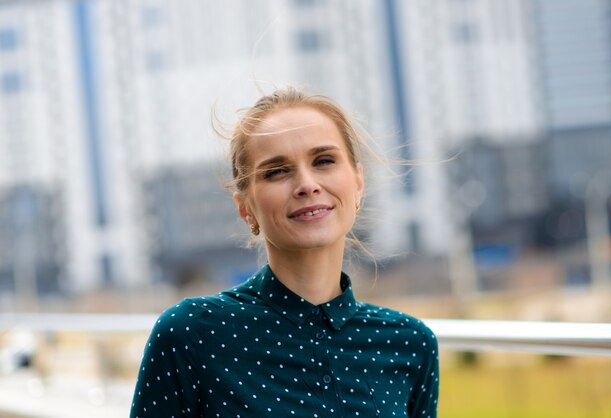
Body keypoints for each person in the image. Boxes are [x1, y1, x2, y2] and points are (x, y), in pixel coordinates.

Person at [130, 87, 439, 417]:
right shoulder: (191, 334)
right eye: (277, 171)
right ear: (245, 206)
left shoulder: (410, 343)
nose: (307, 184)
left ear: (358, 183)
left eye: (324, 161)